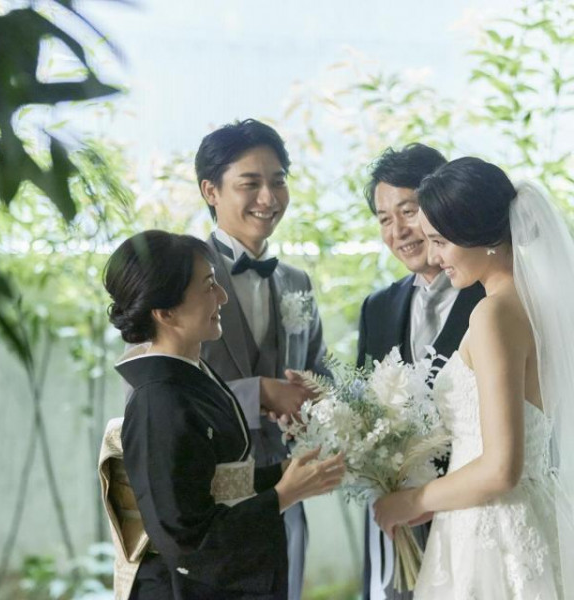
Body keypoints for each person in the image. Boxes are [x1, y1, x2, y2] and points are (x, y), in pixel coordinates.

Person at [101, 230, 345, 600]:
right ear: (165, 312)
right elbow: (186, 539)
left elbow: (217, 483)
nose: (222, 297)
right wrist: (283, 495)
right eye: (209, 286)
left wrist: (284, 473)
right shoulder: (158, 401)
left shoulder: (191, 374)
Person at [374, 157, 574, 599]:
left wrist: (412, 500)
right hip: (523, 512)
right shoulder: (538, 308)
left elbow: (501, 468)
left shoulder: (492, 315)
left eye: (440, 242)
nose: (434, 257)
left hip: (493, 532)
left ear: (478, 236)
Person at [195, 118, 328, 600]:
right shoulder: (177, 272)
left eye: (278, 181)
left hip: (287, 495)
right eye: (250, 184)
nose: (268, 198)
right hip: (210, 501)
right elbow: (149, 388)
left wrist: (316, 399)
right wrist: (259, 394)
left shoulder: (297, 282)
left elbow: (321, 371)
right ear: (211, 191)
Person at [359, 144, 485, 600]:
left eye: (408, 211)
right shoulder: (376, 308)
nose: (398, 231)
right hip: (399, 529)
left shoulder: (493, 299)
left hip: (474, 520)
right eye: (383, 219)